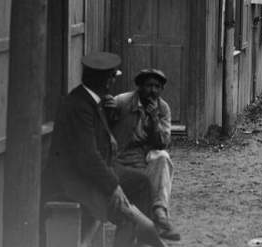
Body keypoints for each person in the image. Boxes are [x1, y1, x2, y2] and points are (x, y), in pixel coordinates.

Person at [44, 52, 166, 247]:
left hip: (90, 172)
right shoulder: (79, 106)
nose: (112, 82)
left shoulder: (92, 101)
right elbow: (88, 156)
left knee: (141, 183)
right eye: (112, 77)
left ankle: (134, 238)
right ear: (107, 81)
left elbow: (102, 144)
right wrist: (113, 185)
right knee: (126, 204)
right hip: (73, 180)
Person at [111, 69, 181, 241]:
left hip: (145, 154)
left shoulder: (162, 108)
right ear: (139, 87)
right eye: (149, 85)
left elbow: (162, 142)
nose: (153, 91)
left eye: (157, 87)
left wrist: (154, 120)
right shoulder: (122, 101)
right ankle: (146, 228)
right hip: (122, 154)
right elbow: (104, 121)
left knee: (163, 157)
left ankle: (160, 214)